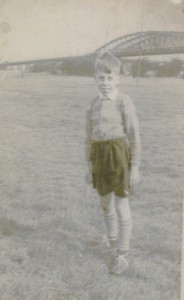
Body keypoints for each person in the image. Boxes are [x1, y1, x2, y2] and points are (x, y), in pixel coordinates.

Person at [85, 51, 141, 275]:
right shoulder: (92, 105)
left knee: (121, 205)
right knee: (105, 204)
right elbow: (88, 138)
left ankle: (122, 255)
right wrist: (88, 167)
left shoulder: (123, 102)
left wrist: (135, 166)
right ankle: (112, 239)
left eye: (110, 78)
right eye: (101, 78)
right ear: (95, 78)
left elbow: (135, 136)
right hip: (99, 155)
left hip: (118, 155)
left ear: (118, 78)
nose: (105, 83)